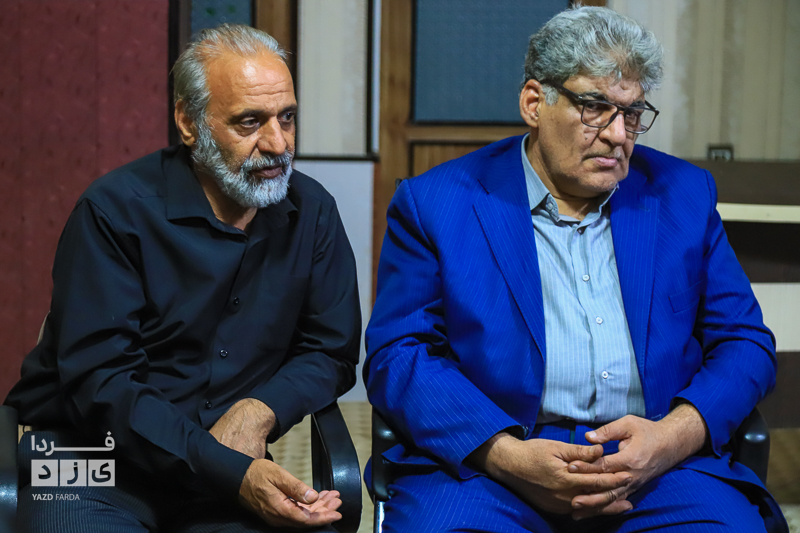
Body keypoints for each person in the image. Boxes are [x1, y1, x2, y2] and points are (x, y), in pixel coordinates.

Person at [365, 6, 788, 532]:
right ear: (534, 102)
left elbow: (745, 342)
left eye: (631, 113)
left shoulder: (682, 195)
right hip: (494, 467)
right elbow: (399, 354)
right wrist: (505, 455)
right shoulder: (438, 203)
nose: (618, 134)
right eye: (595, 108)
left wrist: (673, 436)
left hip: (657, 465)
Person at [5, 24, 361, 533]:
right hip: (89, 459)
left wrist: (259, 410)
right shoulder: (114, 212)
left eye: (287, 117)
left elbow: (330, 349)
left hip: (228, 464)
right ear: (188, 123)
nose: (278, 143)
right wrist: (229, 470)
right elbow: (103, 385)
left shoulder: (313, 212)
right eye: (249, 122)